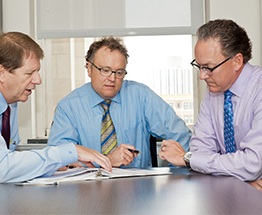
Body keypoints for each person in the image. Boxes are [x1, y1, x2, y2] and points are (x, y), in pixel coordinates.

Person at [0, 32, 111, 190]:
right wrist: (69, 152)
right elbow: (1, 167)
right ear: (2, 73)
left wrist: (52, 164)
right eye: (29, 73)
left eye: (37, 71)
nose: (38, 80)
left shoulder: (9, 98)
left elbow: (8, 159)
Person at [48, 36, 191, 168]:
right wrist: (107, 161)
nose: (112, 78)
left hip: (139, 190)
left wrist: (176, 175)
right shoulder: (68, 107)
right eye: (105, 70)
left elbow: (181, 136)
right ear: (89, 69)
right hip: (87, 190)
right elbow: (59, 162)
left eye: (119, 72)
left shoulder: (141, 96)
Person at [158, 19, 262, 191]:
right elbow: (200, 150)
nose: (202, 76)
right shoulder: (214, 91)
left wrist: (188, 159)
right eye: (199, 66)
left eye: (208, 67)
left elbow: (252, 163)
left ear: (237, 61)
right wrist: (243, 184)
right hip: (233, 193)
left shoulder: (258, 90)